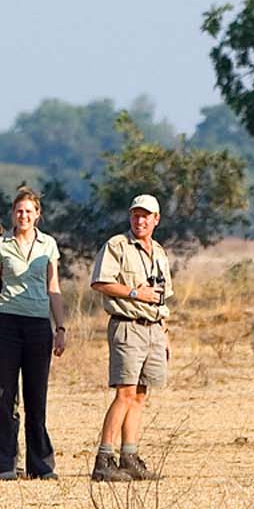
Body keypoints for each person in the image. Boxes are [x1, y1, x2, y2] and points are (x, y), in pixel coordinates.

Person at [0, 187, 67, 480]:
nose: (24, 216)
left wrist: (60, 327)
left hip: (37, 325)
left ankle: (41, 464)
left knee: (36, 397)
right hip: (6, 323)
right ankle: (4, 464)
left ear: (38, 215)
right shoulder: (0, 245)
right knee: (4, 396)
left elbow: (53, 288)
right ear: (13, 214)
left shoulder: (48, 245)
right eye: (19, 211)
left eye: (29, 211)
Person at [89, 193, 171, 483]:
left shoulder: (159, 252)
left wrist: (164, 334)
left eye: (146, 215)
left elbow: (163, 296)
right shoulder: (117, 245)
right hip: (127, 325)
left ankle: (129, 456)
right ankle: (104, 458)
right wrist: (135, 293)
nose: (140, 220)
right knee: (124, 394)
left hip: (153, 328)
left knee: (139, 395)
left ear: (156, 219)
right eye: (136, 215)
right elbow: (100, 282)